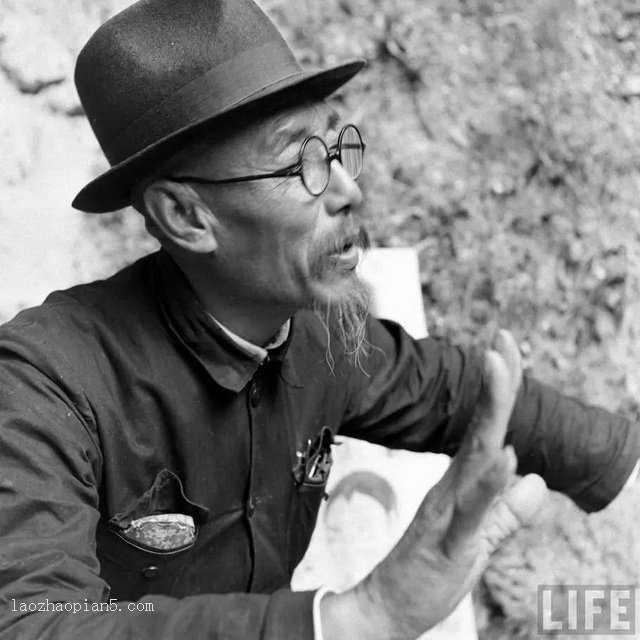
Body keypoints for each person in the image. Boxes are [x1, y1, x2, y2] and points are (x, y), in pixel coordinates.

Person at [0, 0, 636, 638]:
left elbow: (454, 390)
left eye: (335, 150)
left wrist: (624, 468)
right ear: (187, 217)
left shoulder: (317, 333)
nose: (345, 189)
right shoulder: (42, 386)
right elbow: (33, 622)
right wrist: (355, 618)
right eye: (297, 165)